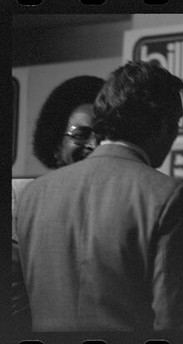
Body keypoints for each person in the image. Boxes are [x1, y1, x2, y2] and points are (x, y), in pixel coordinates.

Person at [15, 61, 183, 332]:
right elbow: (177, 321)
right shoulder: (167, 196)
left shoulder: (33, 196)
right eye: (177, 122)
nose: (176, 133)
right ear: (161, 125)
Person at [11, 75, 104, 331]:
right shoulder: (21, 199)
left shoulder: (121, 205)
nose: (94, 144)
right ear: (55, 145)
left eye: (102, 135)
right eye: (81, 134)